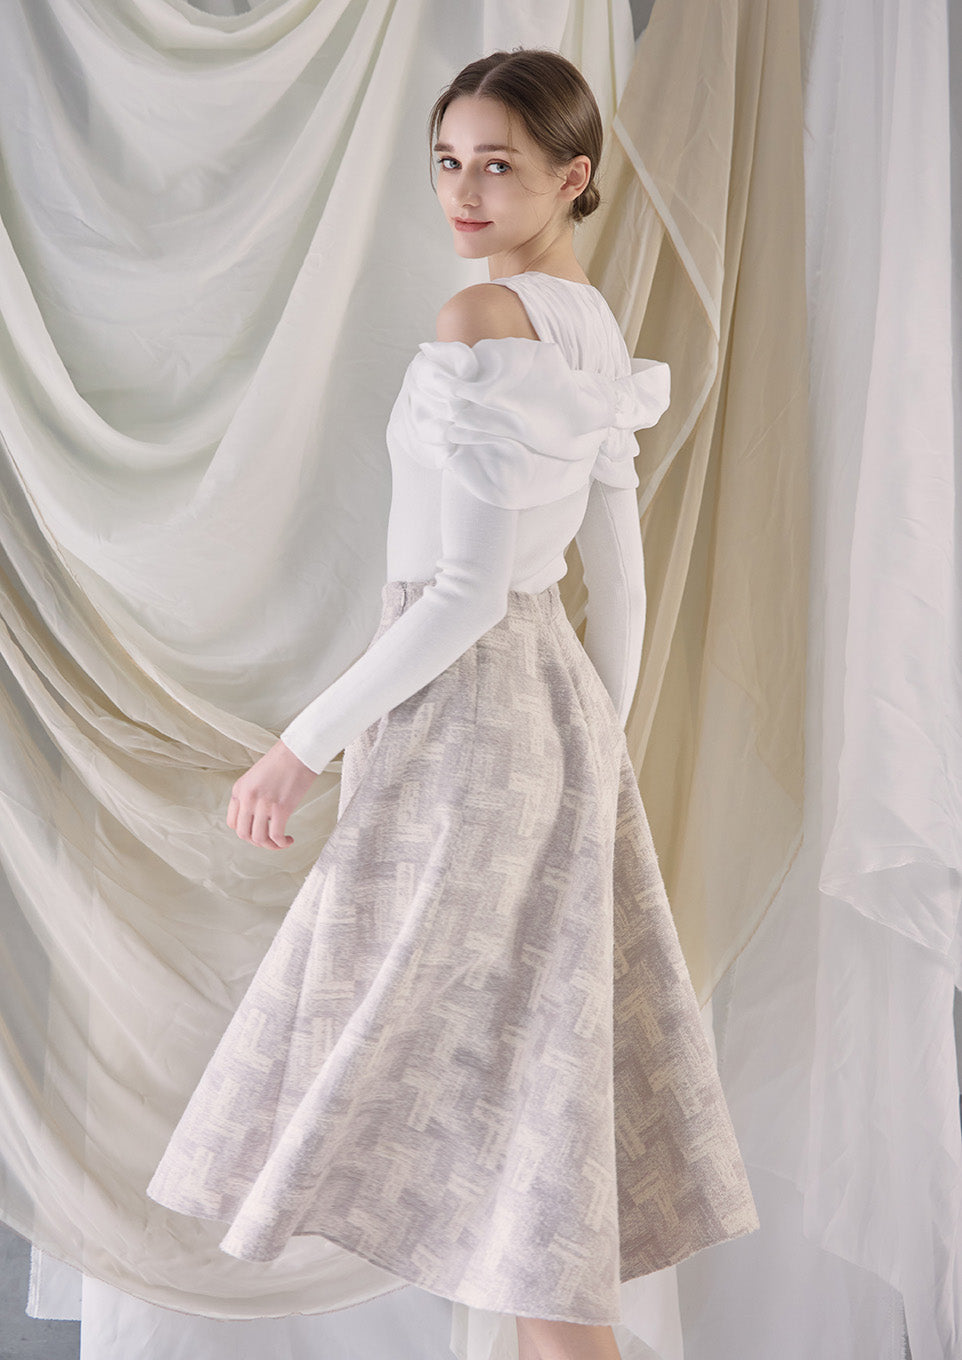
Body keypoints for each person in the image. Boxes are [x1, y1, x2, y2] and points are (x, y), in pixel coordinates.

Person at [147, 49, 759, 1360]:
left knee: (480, 1089)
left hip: (462, 716)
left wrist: (298, 747)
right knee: (529, 1095)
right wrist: (596, 746)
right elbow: (615, 580)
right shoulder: (589, 326)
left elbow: (467, 592)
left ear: (572, 177)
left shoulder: (481, 318)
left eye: (498, 165)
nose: (464, 193)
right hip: (551, 718)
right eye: (446, 162)